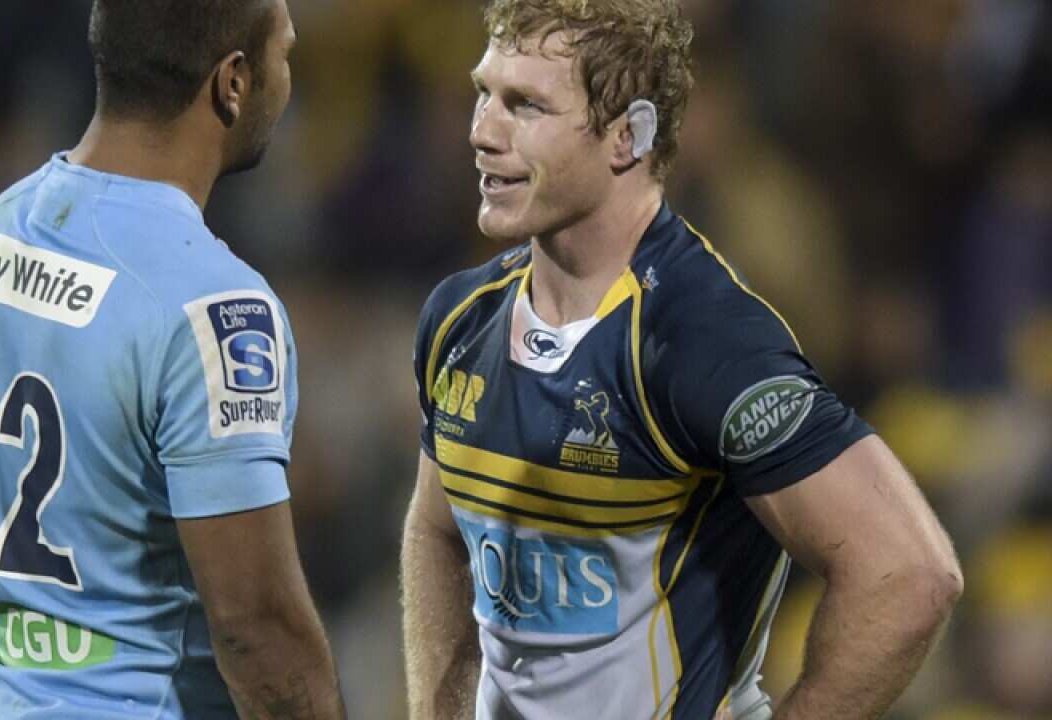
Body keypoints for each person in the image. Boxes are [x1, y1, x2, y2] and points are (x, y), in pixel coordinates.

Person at [401, 1, 963, 718]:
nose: (481, 132)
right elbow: (436, 529)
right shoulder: (458, 315)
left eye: (526, 105)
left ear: (626, 137)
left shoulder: (699, 335)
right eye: (485, 93)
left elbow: (910, 572)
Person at [0, 1, 345, 718]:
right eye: (286, 55)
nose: (289, 79)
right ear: (232, 82)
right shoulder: (215, 306)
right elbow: (256, 628)